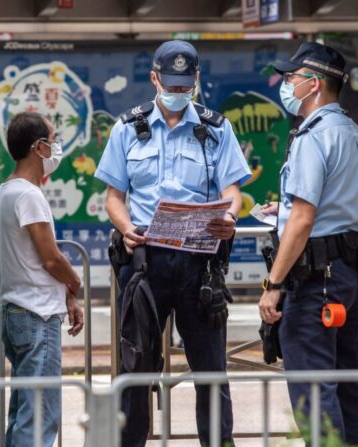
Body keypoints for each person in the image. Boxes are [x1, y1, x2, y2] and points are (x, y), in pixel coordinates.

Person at [95, 40, 252, 447]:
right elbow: (113, 196)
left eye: (186, 86)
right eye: (172, 85)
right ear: (154, 79)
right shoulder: (128, 127)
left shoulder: (216, 128)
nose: (179, 93)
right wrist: (126, 226)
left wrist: (230, 217)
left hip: (199, 261)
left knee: (211, 371)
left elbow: (232, 189)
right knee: (135, 368)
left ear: (196, 81)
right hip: (144, 261)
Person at [258, 42, 358, 444]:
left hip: (314, 283)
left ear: (314, 84)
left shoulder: (312, 136)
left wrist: (273, 286)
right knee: (345, 378)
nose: (286, 84)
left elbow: (304, 219)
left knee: (312, 382)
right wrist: (288, 210)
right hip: (349, 276)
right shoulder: (355, 134)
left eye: (291, 78)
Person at [0, 112, 84, 446]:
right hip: (37, 315)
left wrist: (67, 298)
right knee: (39, 419)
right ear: (39, 148)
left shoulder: (6, 191)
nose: (58, 146)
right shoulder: (29, 195)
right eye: (54, 139)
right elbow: (51, 258)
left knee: (23, 414)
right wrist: (76, 284)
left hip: (18, 311)